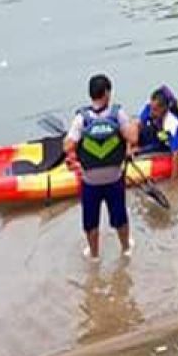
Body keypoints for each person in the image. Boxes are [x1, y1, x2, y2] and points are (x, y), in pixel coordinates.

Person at [64, 74, 139, 261]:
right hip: (114, 179)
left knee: (91, 222)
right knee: (119, 217)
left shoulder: (81, 119)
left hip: (90, 182)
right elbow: (133, 138)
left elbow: (68, 146)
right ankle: (126, 248)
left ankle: (94, 255)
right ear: (106, 93)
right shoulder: (117, 114)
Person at [137, 85, 178, 156]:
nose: (151, 113)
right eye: (151, 108)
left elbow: (175, 154)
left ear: (163, 109)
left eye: (155, 110)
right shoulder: (149, 109)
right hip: (159, 134)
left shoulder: (173, 125)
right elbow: (139, 124)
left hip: (175, 140)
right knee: (139, 127)